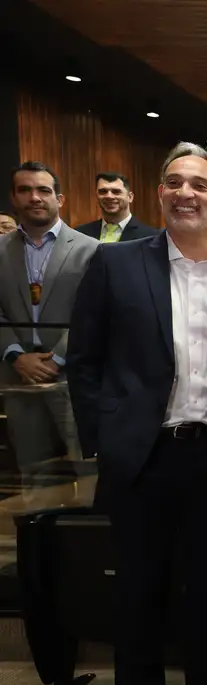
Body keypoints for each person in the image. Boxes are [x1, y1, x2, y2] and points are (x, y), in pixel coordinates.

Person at [68, 142, 207, 685]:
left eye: (200, 185)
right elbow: (83, 360)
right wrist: (105, 441)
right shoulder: (115, 263)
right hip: (141, 456)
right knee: (137, 593)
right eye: (174, 182)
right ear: (158, 194)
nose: (185, 193)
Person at [2, 162, 98, 492]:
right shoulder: (0, 250)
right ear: (13, 198)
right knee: (32, 471)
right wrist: (16, 355)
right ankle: (37, 527)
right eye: (25, 190)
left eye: (43, 190)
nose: (35, 197)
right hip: (17, 379)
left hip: (73, 378)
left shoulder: (90, 250)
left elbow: (93, 313)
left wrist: (57, 359)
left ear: (60, 199)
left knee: (88, 469)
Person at [76, 172, 161, 242]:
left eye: (116, 191)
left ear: (130, 197)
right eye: (103, 191)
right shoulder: (80, 234)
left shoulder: (151, 237)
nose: (109, 196)